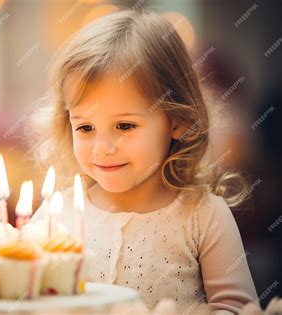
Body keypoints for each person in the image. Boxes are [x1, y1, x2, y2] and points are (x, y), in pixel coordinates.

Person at [27, 9, 258, 314]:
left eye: (124, 126)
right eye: (85, 127)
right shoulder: (56, 215)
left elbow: (240, 309)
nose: (102, 148)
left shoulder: (203, 216)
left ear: (176, 120)